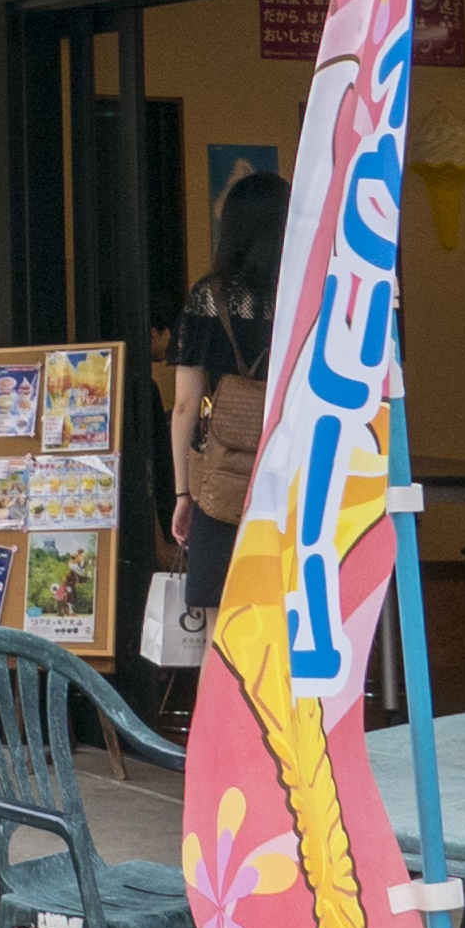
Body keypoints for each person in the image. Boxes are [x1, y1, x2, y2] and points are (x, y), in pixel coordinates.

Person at [167, 168, 289, 615]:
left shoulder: (208, 297)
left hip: (220, 478)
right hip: (290, 471)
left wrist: (183, 494)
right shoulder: (307, 294)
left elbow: (184, 406)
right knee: (286, 610)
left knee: (221, 618)